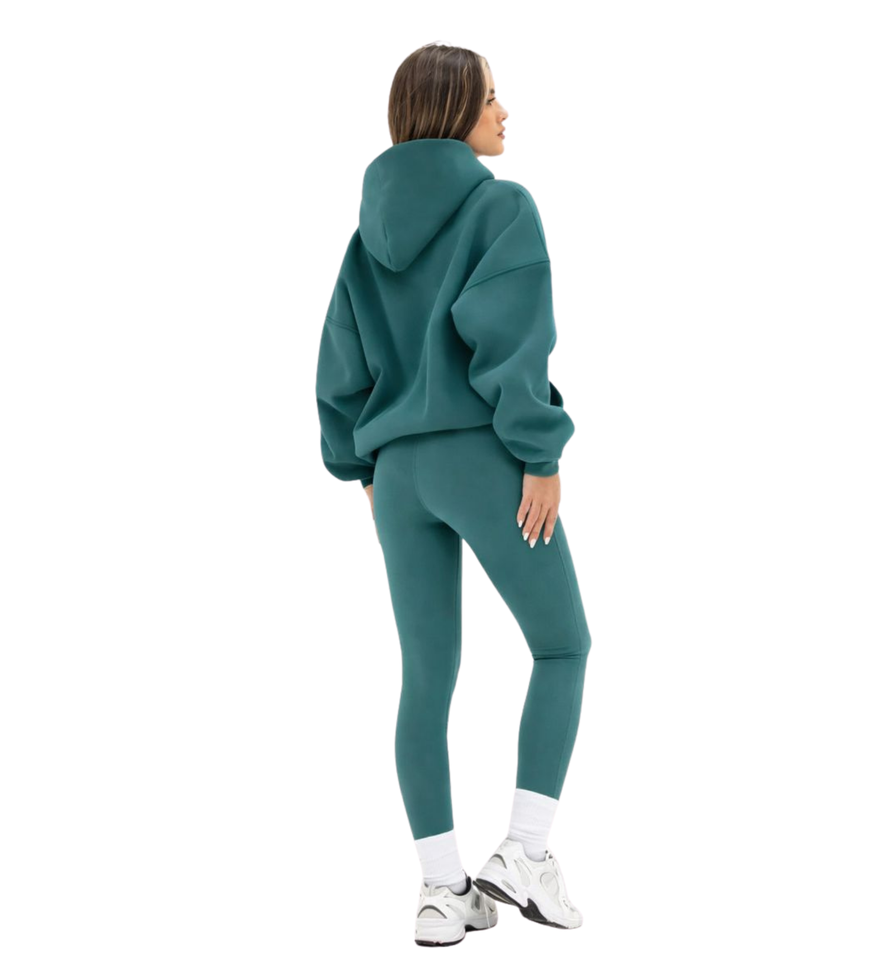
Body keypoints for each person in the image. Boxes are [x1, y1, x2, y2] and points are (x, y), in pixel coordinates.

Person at [315, 42, 592, 946]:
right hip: (483, 458)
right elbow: (510, 340)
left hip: (398, 477)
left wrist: (361, 468)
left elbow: (339, 365)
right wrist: (540, 455)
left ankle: (442, 892)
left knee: (425, 680)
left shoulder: (366, 236)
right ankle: (526, 852)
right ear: (451, 110)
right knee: (563, 646)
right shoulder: (499, 206)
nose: (504, 113)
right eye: (490, 98)